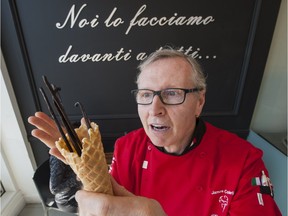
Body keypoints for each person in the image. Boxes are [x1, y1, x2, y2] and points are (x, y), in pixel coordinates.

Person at [28, 47, 282, 215]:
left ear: (200, 101)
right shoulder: (127, 147)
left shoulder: (245, 161)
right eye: (146, 95)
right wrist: (84, 171)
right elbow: (113, 203)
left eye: (172, 93)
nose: (155, 109)